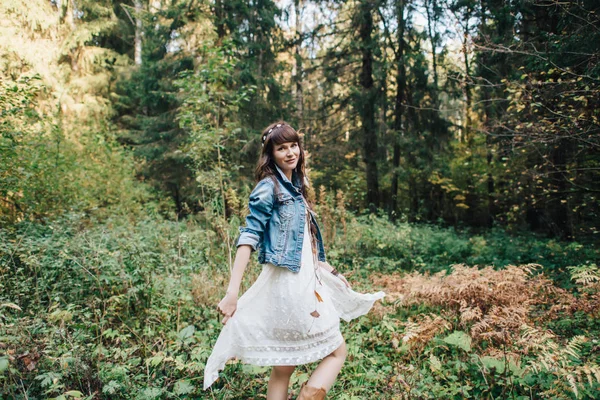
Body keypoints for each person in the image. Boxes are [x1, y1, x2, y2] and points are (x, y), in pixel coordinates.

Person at [203, 121, 385, 399]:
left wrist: (331, 271)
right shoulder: (269, 187)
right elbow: (248, 237)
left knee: (284, 367)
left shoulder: (296, 188)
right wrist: (232, 293)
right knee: (337, 351)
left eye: (293, 145)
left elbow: (305, 246)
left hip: (297, 284)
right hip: (291, 287)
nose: (290, 153)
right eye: (281, 148)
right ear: (270, 154)